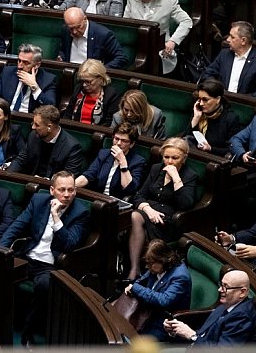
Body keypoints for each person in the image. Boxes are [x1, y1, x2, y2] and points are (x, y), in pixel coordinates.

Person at [0, 171, 90, 346]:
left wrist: (56, 217)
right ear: (52, 190)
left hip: (49, 265)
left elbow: (69, 244)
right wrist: (1, 250)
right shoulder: (39, 200)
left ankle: (27, 333)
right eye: (62, 190)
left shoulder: (81, 213)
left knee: (44, 286)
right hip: (27, 255)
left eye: (71, 190)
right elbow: (17, 226)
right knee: (0, 271)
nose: (67, 194)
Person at [127, 138, 198, 279]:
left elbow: (185, 204)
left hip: (168, 221)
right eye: (166, 157)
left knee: (136, 223)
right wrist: (148, 210)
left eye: (175, 158)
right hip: (147, 213)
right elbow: (139, 195)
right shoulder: (156, 168)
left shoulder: (189, 175)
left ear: (184, 158)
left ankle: (140, 273)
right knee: (135, 216)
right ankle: (135, 269)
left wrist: (176, 178)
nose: (170, 161)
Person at [163, 270, 256, 346]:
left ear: (242, 292)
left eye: (226, 287)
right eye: (221, 284)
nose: (220, 289)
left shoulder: (242, 317)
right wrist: (176, 330)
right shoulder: (226, 305)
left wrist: (191, 335)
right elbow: (204, 334)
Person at [124, 239, 191, 342]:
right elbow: (140, 281)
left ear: (163, 260)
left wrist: (135, 288)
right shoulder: (156, 268)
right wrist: (133, 286)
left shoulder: (180, 276)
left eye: (151, 263)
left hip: (164, 323)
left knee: (135, 342)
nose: (148, 267)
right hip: (148, 314)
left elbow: (164, 300)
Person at [123, 0, 193, 64]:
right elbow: (125, 20)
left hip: (158, 46)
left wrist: (173, 41)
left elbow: (186, 21)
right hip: (135, 43)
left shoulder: (170, 0)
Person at [7, 105, 84, 178]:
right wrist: (8, 175)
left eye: (37, 125)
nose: (33, 127)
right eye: (33, 123)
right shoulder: (34, 136)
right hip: (31, 182)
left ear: (49, 127)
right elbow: (21, 160)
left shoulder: (72, 147)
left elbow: (68, 177)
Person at [75, 122, 146, 199]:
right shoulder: (104, 154)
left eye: (124, 141)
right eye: (116, 139)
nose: (118, 143)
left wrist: (122, 162)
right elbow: (88, 176)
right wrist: (70, 187)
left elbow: (129, 189)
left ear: (132, 144)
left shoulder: (138, 161)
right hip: (98, 198)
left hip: (116, 203)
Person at [202, 21, 256, 94]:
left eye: (232, 37)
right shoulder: (224, 54)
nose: (228, 40)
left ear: (243, 40)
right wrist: (216, 90)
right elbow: (208, 74)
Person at [0, 43, 57, 113]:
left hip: (29, 122)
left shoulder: (48, 80)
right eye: (19, 61)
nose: (19, 66)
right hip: (6, 119)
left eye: (25, 62)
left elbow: (51, 108)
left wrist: (35, 87)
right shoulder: (7, 73)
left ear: (37, 65)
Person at [184, 78, 241, 156]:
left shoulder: (230, 119)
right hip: (193, 155)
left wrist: (211, 149)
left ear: (218, 99)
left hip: (214, 159)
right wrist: (195, 118)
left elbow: (231, 149)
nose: (201, 103)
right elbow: (185, 140)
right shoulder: (198, 112)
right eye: (199, 99)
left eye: (205, 100)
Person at [58, 8, 129, 69]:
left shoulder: (103, 34)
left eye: (78, 27)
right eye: (71, 28)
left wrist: (100, 70)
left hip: (91, 78)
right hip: (69, 72)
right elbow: (63, 50)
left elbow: (121, 58)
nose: (75, 32)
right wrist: (61, 57)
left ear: (85, 19)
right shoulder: (65, 30)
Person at [62, 59, 122, 126]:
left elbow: (108, 123)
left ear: (100, 78)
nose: (84, 85)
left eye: (88, 82)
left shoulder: (112, 94)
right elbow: (68, 114)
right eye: (82, 81)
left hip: (96, 134)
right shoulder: (79, 89)